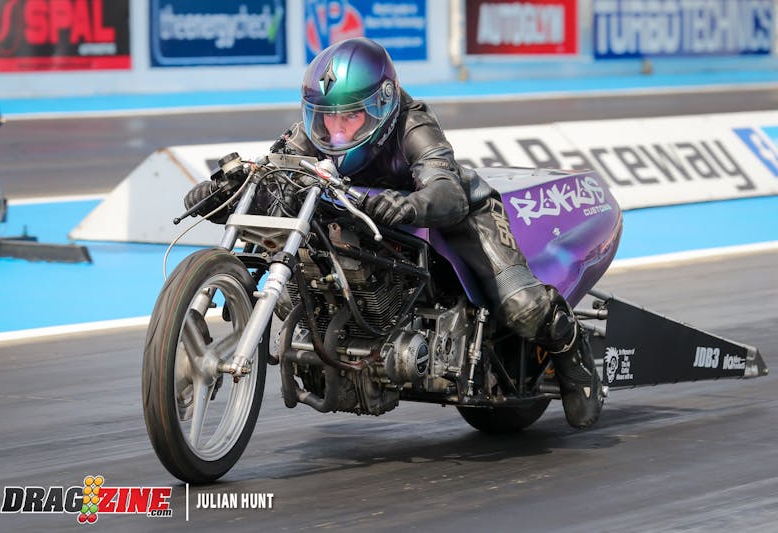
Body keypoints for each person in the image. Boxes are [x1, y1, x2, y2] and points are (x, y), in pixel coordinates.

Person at [183, 38, 603, 429]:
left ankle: (575, 359)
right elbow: (275, 172)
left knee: (523, 306)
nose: (336, 132)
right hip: (364, 212)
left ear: (383, 103)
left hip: (459, 214)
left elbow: (447, 191)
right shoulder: (315, 134)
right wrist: (225, 193)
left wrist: (409, 205)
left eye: (351, 117)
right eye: (326, 117)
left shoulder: (412, 124)